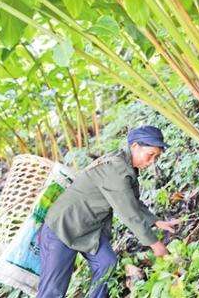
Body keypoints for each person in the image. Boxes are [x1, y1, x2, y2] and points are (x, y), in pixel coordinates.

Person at [37, 125, 180, 298]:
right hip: (62, 227)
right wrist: (155, 244)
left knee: (106, 263)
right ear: (134, 146)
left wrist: (156, 221)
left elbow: (131, 201)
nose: (151, 162)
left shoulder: (124, 164)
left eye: (156, 157)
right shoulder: (116, 170)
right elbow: (128, 213)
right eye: (150, 155)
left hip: (88, 229)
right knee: (52, 292)